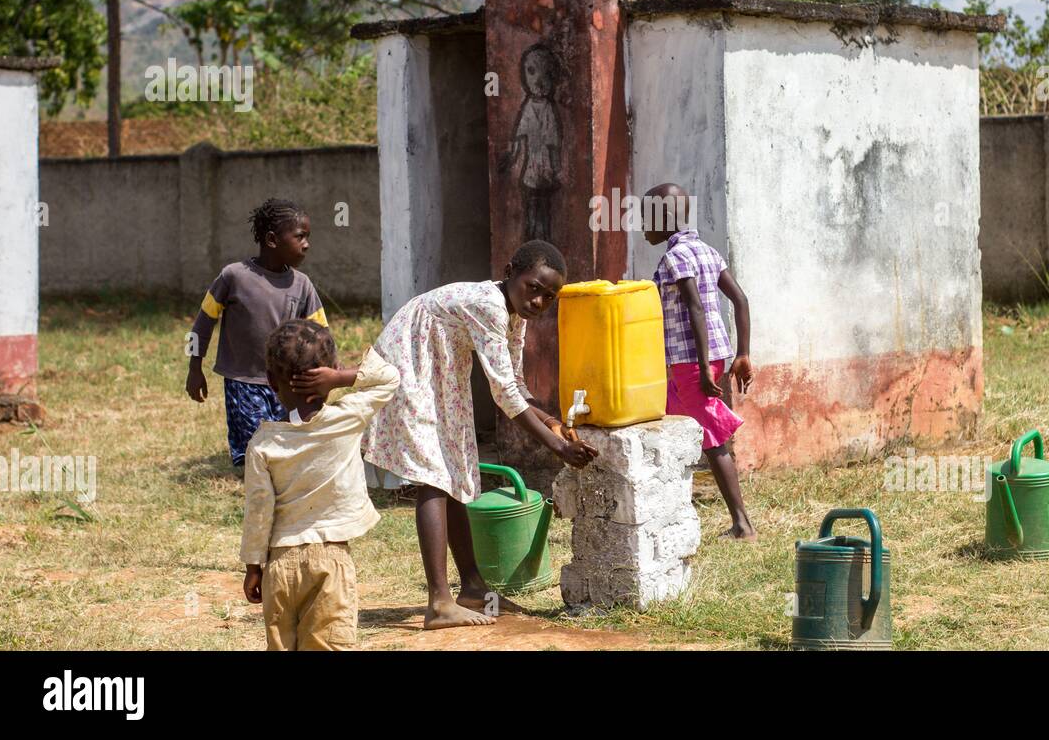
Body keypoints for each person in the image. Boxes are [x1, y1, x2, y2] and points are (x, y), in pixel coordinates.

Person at [362, 239, 598, 630]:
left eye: (548, 296)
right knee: (433, 477)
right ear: (510, 274)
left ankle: (472, 588)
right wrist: (556, 446)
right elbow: (503, 394)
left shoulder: (514, 316)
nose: (538, 301)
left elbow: (516, 386)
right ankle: (439, 602)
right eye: (533, 288)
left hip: (440, 369)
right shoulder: (490, 305)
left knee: (454, 471)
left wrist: (554, 422)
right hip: (410, 361)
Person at [240, 319, 400, 650]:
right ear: (331, 372)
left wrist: (254, 566)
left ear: (271, 381)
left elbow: (258, 509)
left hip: (280, 564)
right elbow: (390, 378)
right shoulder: (348, 417)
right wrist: (342, 378)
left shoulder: (263, 444)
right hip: (332, 558)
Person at [644, 182, 756, 540]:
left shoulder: (674, 257)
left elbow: (694, 307)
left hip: (692, 363)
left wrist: (705, 366)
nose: (644, 226)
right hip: (704, 361)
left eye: (648, 217)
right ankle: (665, 512)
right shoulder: (708, 251)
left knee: (711, 437)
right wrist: (742, 353)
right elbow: (740, 299)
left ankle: (742, 525)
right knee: (664, 427)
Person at [186, 198, 327, 467]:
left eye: (308, 237)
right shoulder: (233, 276)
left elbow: (322, 335)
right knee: (255, 446)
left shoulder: (303, 285)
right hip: (243, 380)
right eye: (300, 237)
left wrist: (327, 375)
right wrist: (194, 368)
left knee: (288, 440)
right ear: (272, 240)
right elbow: (202, 324)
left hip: (286, 383)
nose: (306, 244)